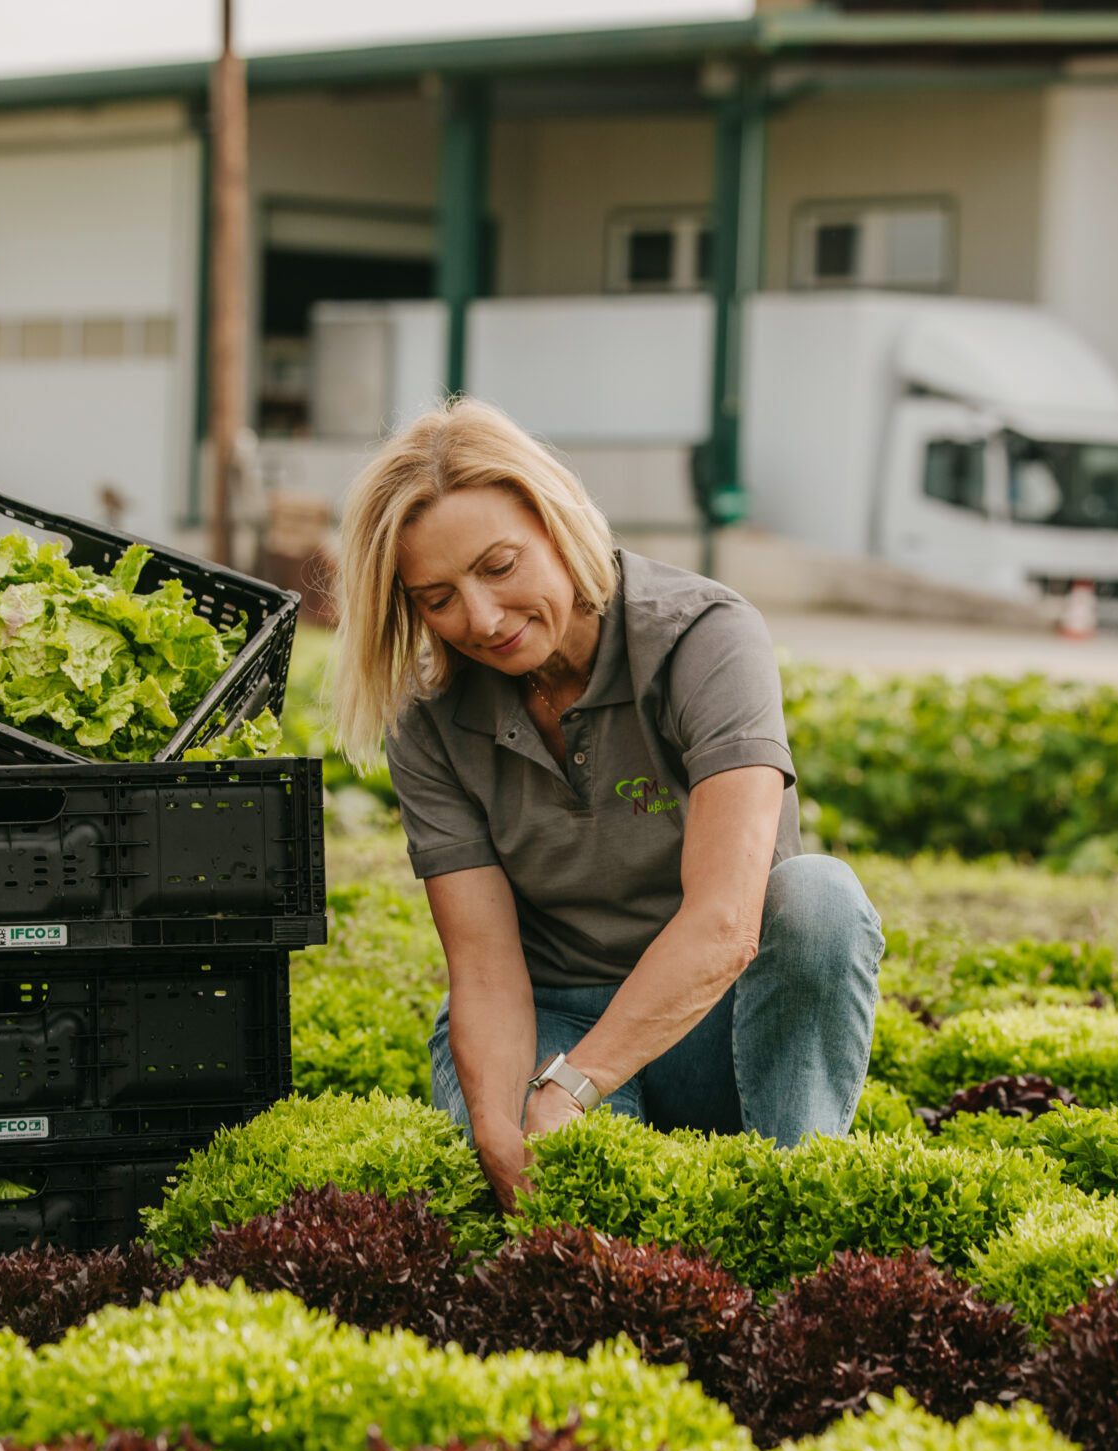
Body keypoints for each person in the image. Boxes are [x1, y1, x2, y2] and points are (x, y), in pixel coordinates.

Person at [331, 399, 885, 1211]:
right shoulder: (428, 716)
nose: (481, 620)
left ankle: (797, 1206)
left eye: (499, 566)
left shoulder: (706, 638)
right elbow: (484, 967)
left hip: (719, 1027)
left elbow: (730, 922)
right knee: (584, 1222)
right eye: (437, 597)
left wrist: (571, 1089)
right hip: (552, 1019)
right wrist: (503, 1131)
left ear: (558, 525)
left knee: (818, 899)